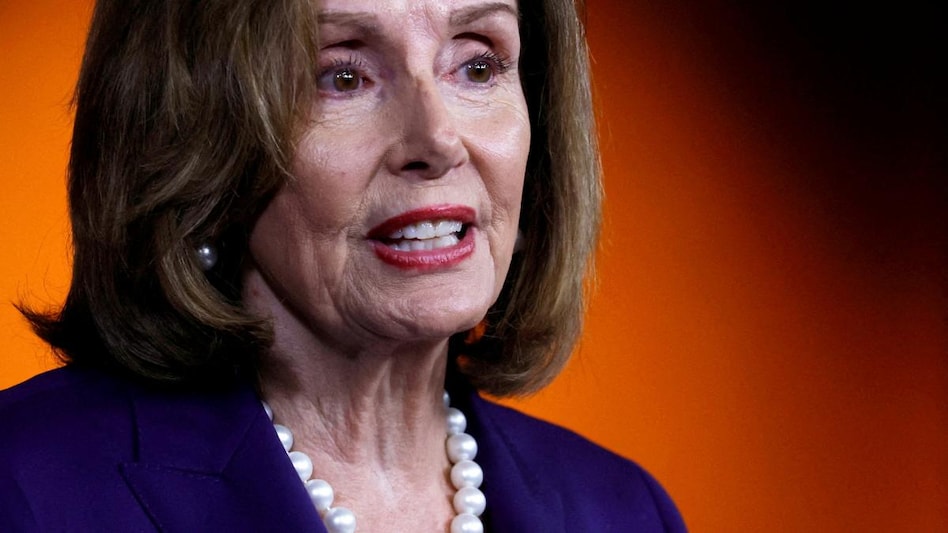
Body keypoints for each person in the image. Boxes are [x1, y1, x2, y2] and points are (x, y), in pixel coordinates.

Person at [0, 0, 686, 531]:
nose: (437, 138)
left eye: (477, 64)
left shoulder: (624, 509)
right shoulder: (26, 486)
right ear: (195, 136)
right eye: (343, 75)